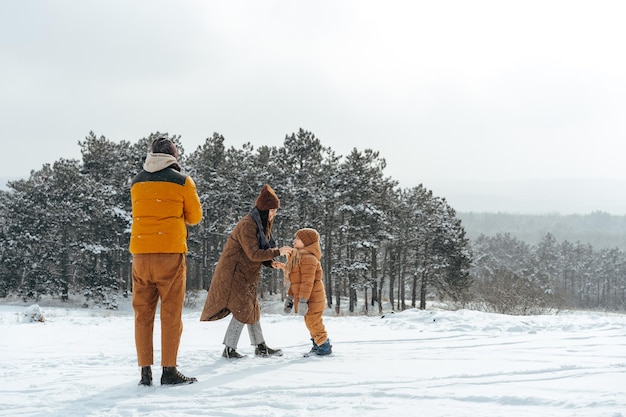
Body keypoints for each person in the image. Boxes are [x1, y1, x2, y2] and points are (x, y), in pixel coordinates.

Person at [129, 136, 203, 386]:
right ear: (174, 156)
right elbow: (195, 217)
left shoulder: (137, 182)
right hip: (169, 254)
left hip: (140, 255)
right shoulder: (183, 181)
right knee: (171, 314)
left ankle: (145, 372)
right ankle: (169, 370)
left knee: (142, 314)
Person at [200, 184, 292, 358]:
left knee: (252, 308)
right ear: (265, 210)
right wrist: (278, 251)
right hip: (234, 274)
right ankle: (229, 349)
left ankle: (260, 346)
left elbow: (256, 253)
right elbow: (253, 253)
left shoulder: (260, 225)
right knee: (243, 310)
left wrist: (271, 263)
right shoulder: (248, 225)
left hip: (246, 274)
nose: (275, 214)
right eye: (273, 210)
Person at [279, 228, 332, 356]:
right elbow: (295, 281)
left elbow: (307, 283)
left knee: (314, 322)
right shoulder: (299, 257)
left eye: (298, 238)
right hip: (308, 298)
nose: (294, 240)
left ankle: (324, 346)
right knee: (310, 322)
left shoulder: (309, 259)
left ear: (306, 242)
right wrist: (290, 298)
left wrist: (303, 300)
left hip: (313, 298)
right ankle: (317, 345)